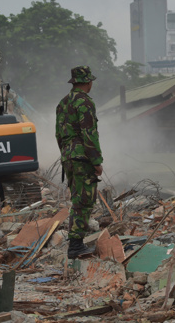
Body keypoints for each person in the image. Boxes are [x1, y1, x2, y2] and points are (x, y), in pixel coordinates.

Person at [55, 66, 103, 259]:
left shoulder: (63, 103)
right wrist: (96, 161)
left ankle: (76, 244)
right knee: (84, 201)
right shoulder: (85, 102)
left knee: (77, 198)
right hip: (82, 158)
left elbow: (58, 134)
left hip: (68, 156)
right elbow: (88, 133)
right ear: (88, 83)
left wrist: (66, 154)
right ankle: (75, 246)